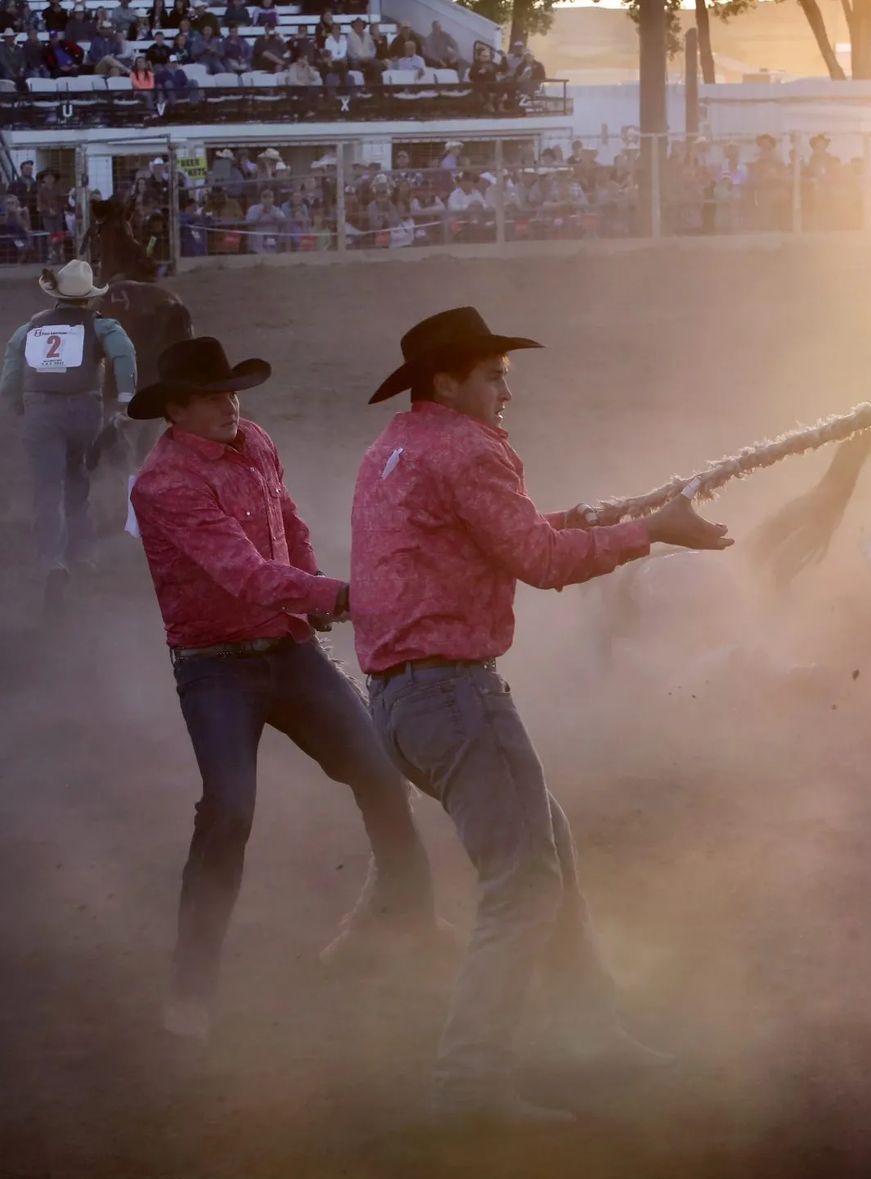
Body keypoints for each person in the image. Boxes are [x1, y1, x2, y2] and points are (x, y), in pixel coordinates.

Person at [350, 306, 732, 1123]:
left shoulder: (393, 449)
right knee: (523, 886)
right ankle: (470, 1086)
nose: (504, 395)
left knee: (545, 856)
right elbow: (538, 563)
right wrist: (651, 533)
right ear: (446, 382)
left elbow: (498, 538)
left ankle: (589, 1034)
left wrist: (604, 517)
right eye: (493, 377)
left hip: (401, 700)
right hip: (455, 696)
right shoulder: (468, 449)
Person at [126, 336, 440, 1044]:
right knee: (230, 810)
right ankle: (192, 987)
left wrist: (315, 606)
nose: (229, 406)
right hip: (216, 667)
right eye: (211, 397)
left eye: (233, 392)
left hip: (288, 647)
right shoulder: (163, 485)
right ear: (175, 411)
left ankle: (412, 921)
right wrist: (344, 598)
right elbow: (242, 572)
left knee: (381, 773)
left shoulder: (257, 442)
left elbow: (287, 525)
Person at [0, 261, 137, 614]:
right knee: (77, 477)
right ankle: (84, 553)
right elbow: (124, 353)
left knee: (48, 488)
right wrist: (125, 398)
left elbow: (11, 368)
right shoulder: (101, 325)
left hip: (41, 413)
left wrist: (17, 404)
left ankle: (53, 561)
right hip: (84, 413)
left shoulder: (29, 328)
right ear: (89, 297)